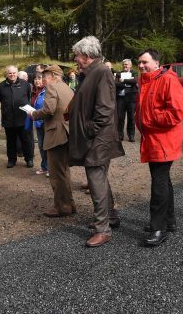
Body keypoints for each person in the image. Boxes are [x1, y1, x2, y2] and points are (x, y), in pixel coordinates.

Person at [69, 36, 125, 247]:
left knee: (95, 179)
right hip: (97, 137)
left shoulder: (101, 72)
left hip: (98, 138)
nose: (76, 59)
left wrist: (86, 129)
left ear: (87, 55)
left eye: (77, 55)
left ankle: (103, 229)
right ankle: (110, 216)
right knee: (99, 177)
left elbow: (104, 110)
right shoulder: (91, 73)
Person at [136, 49, 183, 246]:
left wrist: (148, 120)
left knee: (158, 184)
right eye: (139, 62)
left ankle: (159, 228)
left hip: (164, 141)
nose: (141, 66)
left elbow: (177, 113)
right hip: (153, 139)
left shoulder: (168, 80)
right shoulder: (145, 80)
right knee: (163, 181)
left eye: (145, 62)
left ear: (157, 62)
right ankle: (169, 221)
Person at [31, 65, 75, 216]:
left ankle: (61, 207)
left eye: (45, 76)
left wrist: (34, 114)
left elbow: (48, 109)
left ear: (54, 76)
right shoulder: (67, 88)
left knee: (56, 174)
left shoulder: (52, 88)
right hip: (67, 134)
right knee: (64, 172)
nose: (42, 79)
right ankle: (69, 205)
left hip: (57, 135)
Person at [0, 65, 33, 168]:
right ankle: (11, 160)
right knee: (11, 141)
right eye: (10, 73)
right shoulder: (1, 86)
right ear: (7, 74)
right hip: (9, 119)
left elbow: (28, 97)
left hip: (23, 118)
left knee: (26, 140)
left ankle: (29, 159)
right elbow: (0, 98)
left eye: (14, 73)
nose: (12, 75)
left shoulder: (25, 85)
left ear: (17, 73)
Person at [25, 73, 48, 176]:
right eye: (35, 79)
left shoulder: (47, 91)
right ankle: (44, 167)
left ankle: (51, 168)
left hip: (46, 123)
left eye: (39, 79)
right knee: (41, 146)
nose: (37, 81)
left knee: (48, 146)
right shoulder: (34, 92)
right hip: (38, 123)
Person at [115, 59, 138, 142]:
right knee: (120, 118)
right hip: (121, 98)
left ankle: (131, 135)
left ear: (130, 66)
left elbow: (134, 81)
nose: (125, 66)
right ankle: (120, 135)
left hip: (131, 98)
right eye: (124, 64)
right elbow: (116, 84)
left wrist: (124, 80)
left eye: (127, 64)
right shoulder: (119, 73)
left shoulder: (134, 73)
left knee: (131, 118)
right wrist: (128, 82)